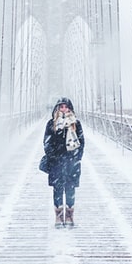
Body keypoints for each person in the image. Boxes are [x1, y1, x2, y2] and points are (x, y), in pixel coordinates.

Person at [43, 97, 85, 228]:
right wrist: (53, 156)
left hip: (72, 162)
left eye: (66, 107)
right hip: (56, 163)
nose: (64, 109)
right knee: (58, 189)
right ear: (57, 108)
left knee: (70, 190)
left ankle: (69, 216)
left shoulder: (76, 124)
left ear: (70, 108)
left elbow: (81, 143)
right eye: (61, 107)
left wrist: (76, 158)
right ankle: (59, 216)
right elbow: (47, 143)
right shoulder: (51, 124)